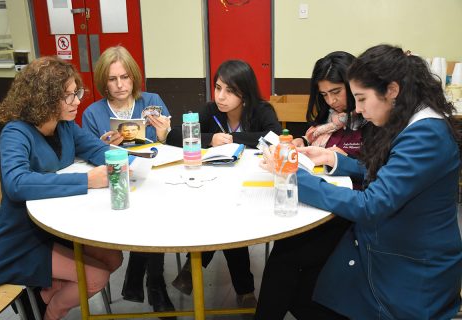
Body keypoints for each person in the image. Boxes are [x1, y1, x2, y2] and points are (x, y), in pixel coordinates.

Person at [260, 44, 462, 319]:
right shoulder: (413, 120)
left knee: (297, 282)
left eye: (362, 98)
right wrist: (334, 159)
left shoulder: (424, 134)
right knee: (291, 269)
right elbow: (389, 174)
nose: (358, 108)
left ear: (392, 90)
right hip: (391, 244)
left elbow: (371, 205)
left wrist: (294, 176)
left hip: (409, 269)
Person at [0, 56, 123, 320]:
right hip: (23, 236)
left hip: (60, 225)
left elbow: (97, 149)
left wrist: (139, 163)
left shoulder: (65, 126)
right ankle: (51, 312)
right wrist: (86, 181)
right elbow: (16, 183)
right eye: (69, 96)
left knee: (114, 259)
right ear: (43, 98)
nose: (78, 101)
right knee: (96, 277)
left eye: (77, 93)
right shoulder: (16, 133)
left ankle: (43, 296)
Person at [255, 51, 370, 320]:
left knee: (285, 259)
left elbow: (375, 170)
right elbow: (319, 155)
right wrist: (301, 146)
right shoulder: (326, 121)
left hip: (349, 213)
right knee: (286, 256)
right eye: (324, 94)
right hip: (322, 201)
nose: (331, 101)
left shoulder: (370, 118)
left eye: (336, 92)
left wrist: (341, 159)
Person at [166, 59, 282, 308]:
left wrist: (232, 138)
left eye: (230, 91)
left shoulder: (261, 110)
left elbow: (273, 137)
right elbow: (175, 134)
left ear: (245, 92)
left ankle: (192, 267)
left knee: (225, 222)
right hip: (214, 183)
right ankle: (244, 290)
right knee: (223, 220)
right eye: (218, 87)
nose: (221, 96)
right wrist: (209, 139)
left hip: (251, 186)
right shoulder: (210, 111)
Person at [81, 45, 175, 316]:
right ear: (104, 82)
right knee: (147, 214)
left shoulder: (151, 100)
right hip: (116, 181)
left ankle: (147, 278)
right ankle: (150, 280)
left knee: (157, 210)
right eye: (112, 79)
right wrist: (100, 148)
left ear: (133, 77)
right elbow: (86, 155)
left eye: (125, 77)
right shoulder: (92, 113)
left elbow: (167, 143)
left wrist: (164, 133)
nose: (120, 85)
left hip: (153, 174)